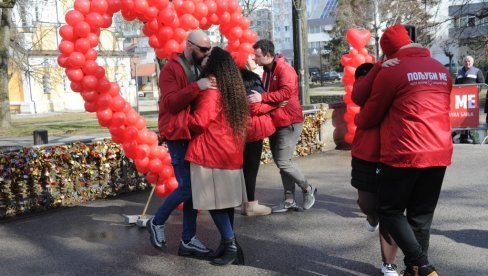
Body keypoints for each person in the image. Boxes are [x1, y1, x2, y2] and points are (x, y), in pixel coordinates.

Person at [355, 24, 453, 276]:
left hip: (404, 152)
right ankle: (415, 270)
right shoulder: (442, 70)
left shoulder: (394, 71)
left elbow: (368, 118)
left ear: (388, 51)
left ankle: (423, 264)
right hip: (439, 152)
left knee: (390, 210)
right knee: (421, 217)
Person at [147, 30, 216, 258]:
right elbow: (170, 103)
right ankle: (157, 222)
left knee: (194, 192)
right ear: (189, 46)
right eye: (203, 49)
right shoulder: (171, 69)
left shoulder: (197, 67)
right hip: (177, 134)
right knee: (188, 187)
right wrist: (199, 86)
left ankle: (188, 239)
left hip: (190, 133)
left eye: (208, 49)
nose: (206, 53)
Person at [185, 47, 248, 266]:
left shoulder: (211, 88)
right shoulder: (229, 85)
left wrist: (183, 118)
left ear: (215, 64)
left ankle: (230, 245)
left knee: (213, 203)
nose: (204, 57)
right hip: (228, 152)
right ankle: (229, 246)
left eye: (209, 56)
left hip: (210, 153)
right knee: (225, 203)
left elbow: (199, 122)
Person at [248, 39, 317, 213]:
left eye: (257, 56)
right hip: (276, 121)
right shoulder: (267, 70)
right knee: (282, 163)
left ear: (268, 55)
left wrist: (262, 98)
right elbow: (277, 99)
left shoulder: (285, 69)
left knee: (283, 161)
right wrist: (270, 102)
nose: (254, 59)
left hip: (290, 122)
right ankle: (289, 200)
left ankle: (308, 188)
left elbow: (286, 93)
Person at [351, 62, 400, 276]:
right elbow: (360, 102)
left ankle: (388, 263)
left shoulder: (391, 88)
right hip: (364, 155)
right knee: (367, 204)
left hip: (392, 156)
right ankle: (371, 218)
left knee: (390, 211)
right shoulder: (364, 90)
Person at [240, 61, 277, 216]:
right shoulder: (252, 79)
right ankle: (251, 204)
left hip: (240, 129)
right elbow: (255, 106)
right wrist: (275, 105)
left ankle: (245, 202)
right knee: (251, 168)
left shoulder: (233, 80)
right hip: (253, 130)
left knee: (243, 168)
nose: (254, 60)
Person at [454, 55, 485, 143]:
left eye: (469, 61)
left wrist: (476, 93)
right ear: (463, 62)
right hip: (461, 99)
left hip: (471, 99)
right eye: (466, 61)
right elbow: (456, 84)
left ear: (472, 62)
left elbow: (481, 83)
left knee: (470, 115)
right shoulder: (460, 72)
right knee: (462, 116)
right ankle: (463, 134)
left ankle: (469, 134)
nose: (467, 63)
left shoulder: (477, 71)